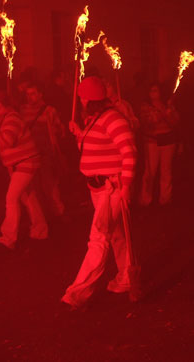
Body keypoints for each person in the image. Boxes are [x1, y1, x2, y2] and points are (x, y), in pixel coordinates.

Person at [61, 76, 137, 309]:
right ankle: (126, 278)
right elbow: (94, 148)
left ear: (88, 99)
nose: (80, 100)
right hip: (97, 188)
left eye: (82, 97)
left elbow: (129, 152)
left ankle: (77, 292)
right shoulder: (96, 119)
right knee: (116, 235)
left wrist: (125, 187)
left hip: (111, 189)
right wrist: (79, 134)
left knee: (98, 239)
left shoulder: (113, 119)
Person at [0, 90, 48, 250]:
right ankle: (40, 230)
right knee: (28, 198)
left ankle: (8, 238)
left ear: (0, 104)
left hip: (25, 163)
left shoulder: (12, 118)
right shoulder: (2, 119)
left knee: (11, 199)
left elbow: (7, 142)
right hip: (18, 164)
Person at [20, 82, 66, 217]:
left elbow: (60, 130)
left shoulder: (49, 110)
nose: (30, 97)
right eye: (27, 94)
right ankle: (42, 215)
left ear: (40, 94)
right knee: (33, 187)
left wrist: (55, 131)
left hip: (45, 153)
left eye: (33, 94)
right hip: (29, 155)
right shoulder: (22, 110)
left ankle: (58, 212)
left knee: (49, 185)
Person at [138, 82, 180, 207]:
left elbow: (175, 122)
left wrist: (167, 112)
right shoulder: (145, 107)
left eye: (156, 90)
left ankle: (165, 199)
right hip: (152, 142)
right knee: (150, 172)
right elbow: (148, 122)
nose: (153, 93)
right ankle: (145, 200)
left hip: (168, 142)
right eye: (151, 90)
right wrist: (163, 113)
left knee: (166, 171)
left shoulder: (168, 105)